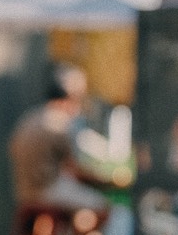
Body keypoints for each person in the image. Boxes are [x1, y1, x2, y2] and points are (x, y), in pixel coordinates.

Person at [10, 65, 112, 214]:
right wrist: (104, 180)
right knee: (102, 206)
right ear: (70, 98)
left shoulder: (29, 118)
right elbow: (74, 169)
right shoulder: (60, 124)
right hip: (47, 192)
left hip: (23, 192)